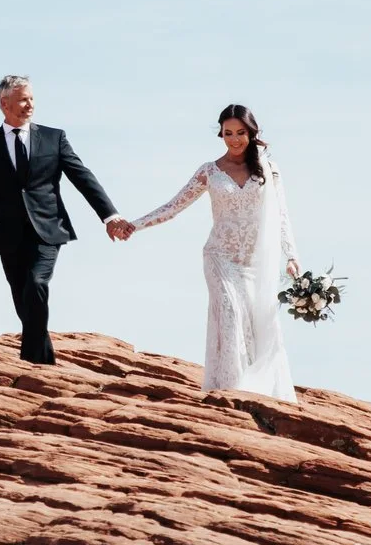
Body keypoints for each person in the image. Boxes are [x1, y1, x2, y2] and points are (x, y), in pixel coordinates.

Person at [110, 103, 300, 400]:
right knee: (229, 314)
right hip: (219, 257)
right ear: (220, 134)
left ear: (252, 133)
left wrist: (291, 256)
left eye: (240, 133)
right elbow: (174, 206)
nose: (234, 139)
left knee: (257, 324)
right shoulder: (210, 171)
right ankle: (229, 390)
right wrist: (135, 225)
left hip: (254, 262)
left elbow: (282, 215)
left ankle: (256, 389)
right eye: (227, 133)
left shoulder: (268, 169)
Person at [0, 75, 122, 365]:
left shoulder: (54, 138)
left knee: (36, 283)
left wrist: (109, 216)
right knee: (24, 302)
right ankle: (43, 363)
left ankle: (32, 365)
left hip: (48, 230)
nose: (30, 104)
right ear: (4, 103)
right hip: (8, 236)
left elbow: (83, 177)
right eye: (23, 99)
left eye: (32, 98)